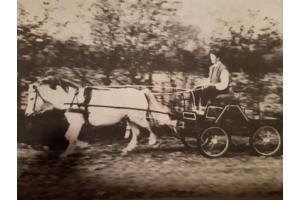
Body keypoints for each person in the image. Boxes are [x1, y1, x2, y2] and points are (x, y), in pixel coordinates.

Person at [193, 50, 230, 114]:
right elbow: (209, 79)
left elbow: (224, 84)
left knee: (206, 90)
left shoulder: (223, 69)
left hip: (222, 89)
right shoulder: (212, 67)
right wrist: (203, 84)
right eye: (211, 57)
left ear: (218, 58)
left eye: (213, 57)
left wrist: (212, 85)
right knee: (196, 89)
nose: (211, 59)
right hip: (212, 88)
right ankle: (195, 109)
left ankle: (202, 111)